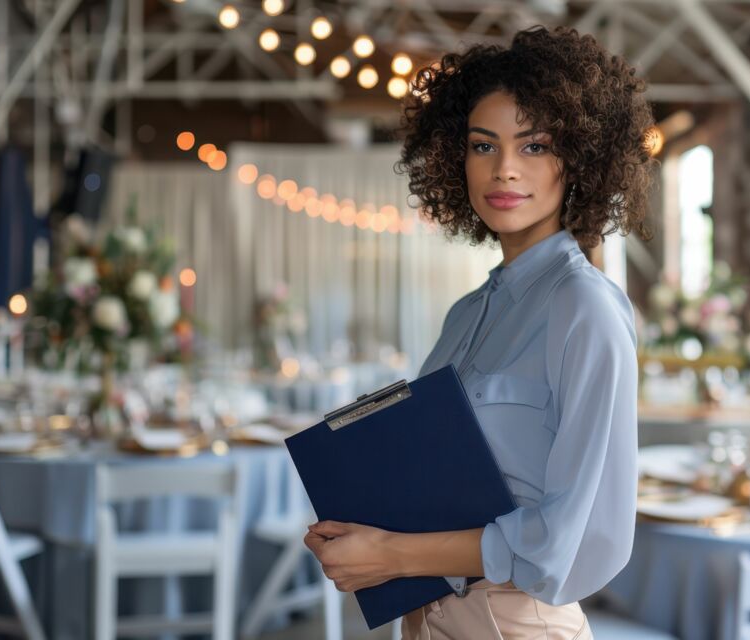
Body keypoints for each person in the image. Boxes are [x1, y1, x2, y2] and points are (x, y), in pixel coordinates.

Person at [304, 25, 655, 639]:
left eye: (534, 145)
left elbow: (569, 539)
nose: (504, 169)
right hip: (423, 618)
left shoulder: (587, 310)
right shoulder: (465, 314)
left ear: (579, 159)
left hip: (515, 623)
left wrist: (392, 555)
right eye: (483, 145)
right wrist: (358, 531)